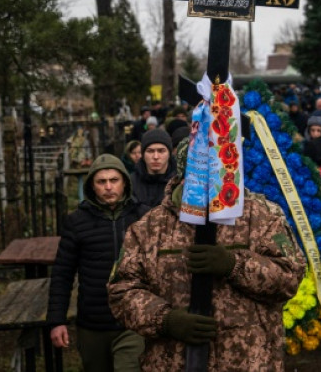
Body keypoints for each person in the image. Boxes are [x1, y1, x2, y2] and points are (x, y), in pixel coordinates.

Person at [108, 141, 306, 371]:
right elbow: (122, 290)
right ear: (184, 175)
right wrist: (166, 320)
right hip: (173, 361)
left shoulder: (261, 216)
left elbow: (289, 276)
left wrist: (235, 265)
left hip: (250, 361)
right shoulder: (150, 227)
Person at [47, 154, 149, 372]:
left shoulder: (143, 217)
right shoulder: (77, 222)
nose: (108, 187)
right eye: (101, 182)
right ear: (92, 186)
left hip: (133, 320)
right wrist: (57, 320)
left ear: (125, 183)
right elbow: (62, 273)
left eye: (114, 180)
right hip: (93, 321)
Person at [131, 129, 176, 208]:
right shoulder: (131, 182)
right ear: (143, 154)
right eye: (150, 151)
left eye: (161, 151)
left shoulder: (179, 182)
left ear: (169, 154)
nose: (156, 157)